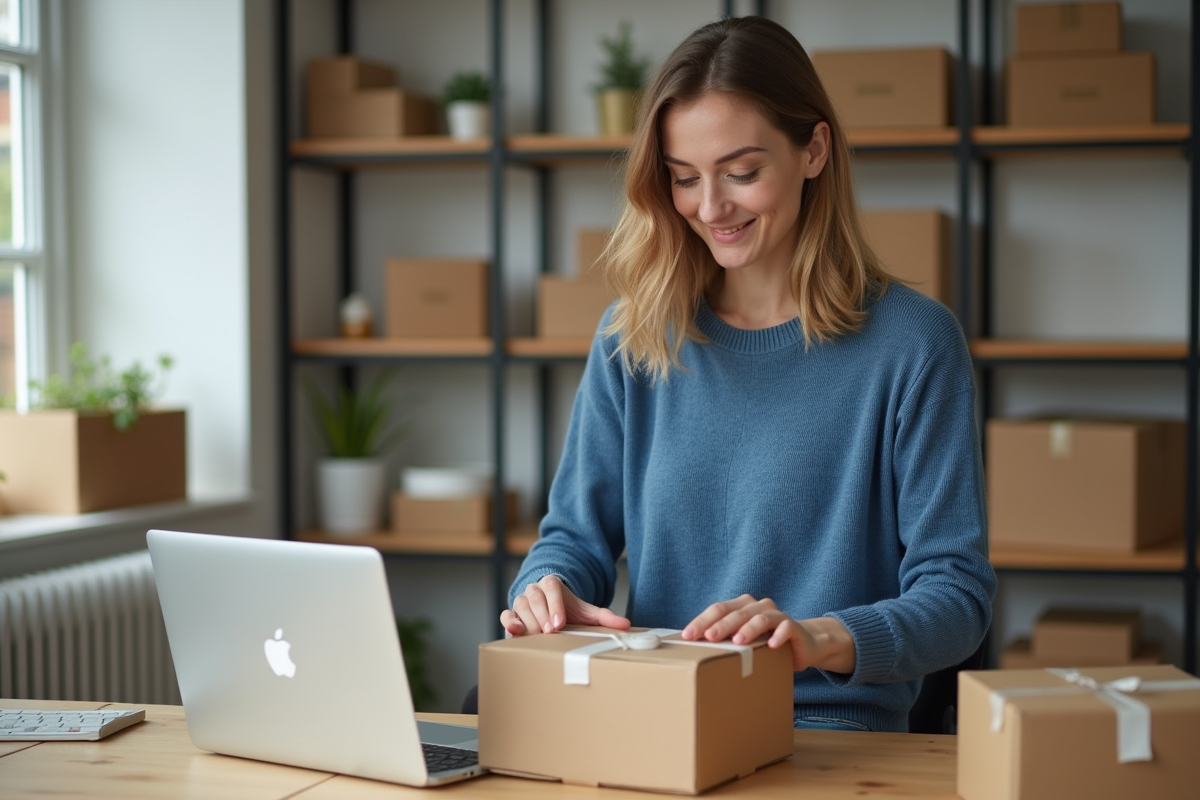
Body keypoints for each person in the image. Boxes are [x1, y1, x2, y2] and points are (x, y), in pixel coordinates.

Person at [501, 15, 995, 733]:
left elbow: (957, 598)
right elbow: (572, 539)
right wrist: (546, 589)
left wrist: (819, 636)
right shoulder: (632, 336)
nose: (710, 207)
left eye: (741, 172)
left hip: (829, 740)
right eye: (683, 179)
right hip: (650, 724)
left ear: (814, 149)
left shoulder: (914, 344)